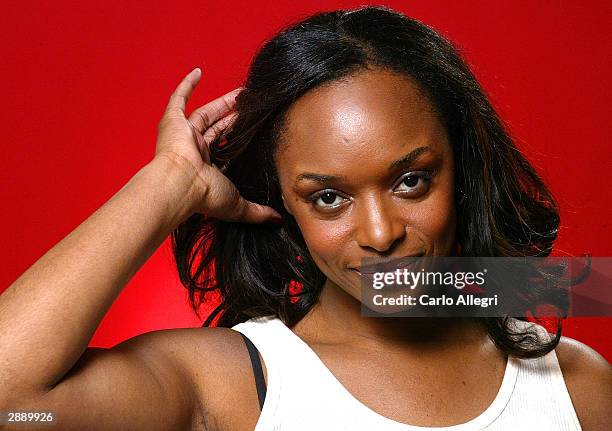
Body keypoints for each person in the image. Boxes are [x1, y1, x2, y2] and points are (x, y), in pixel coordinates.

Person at [0, 5, 610, 431]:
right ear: (284, 202)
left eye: (411, 180)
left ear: (463, 169)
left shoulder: (575, 383)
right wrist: (170, 184)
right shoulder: (236, 386)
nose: (380, 233)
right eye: (328, 197)